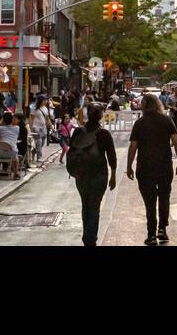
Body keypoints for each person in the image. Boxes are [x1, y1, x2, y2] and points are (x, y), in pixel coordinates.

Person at [126, 93, 177, 245]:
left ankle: (151, 234)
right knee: (164, 197)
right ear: (158, 104)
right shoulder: (166, 120)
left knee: (149, 201)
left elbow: (133, 147)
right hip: (164, 166)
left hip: (144, 167)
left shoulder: (139, 123)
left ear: (143, 106)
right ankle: (162, 230)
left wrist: (129, 166)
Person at [67, 104, 118, 246]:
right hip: (99, 175)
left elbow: (71, 151)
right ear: (101, 116)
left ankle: (86, 238)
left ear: (88, 116)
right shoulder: (104, 134)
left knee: (85, 205)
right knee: (94, 207)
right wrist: (113, 175)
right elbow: (112, 157)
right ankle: (91, 239)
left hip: (81, 175)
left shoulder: (78, 132)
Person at [29, 95, 52, 166]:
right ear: (41, 101)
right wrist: (31, 127)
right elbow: (31, 118)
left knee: (42, 142)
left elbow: (47, 118)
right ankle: (39, 157)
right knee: (38, 142)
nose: (46, 101)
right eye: (44, 100)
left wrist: (51, 125)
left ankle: (34, 152)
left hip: (43, 127)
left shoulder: (45, 108)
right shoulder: (34, 108)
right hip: (36, 127)